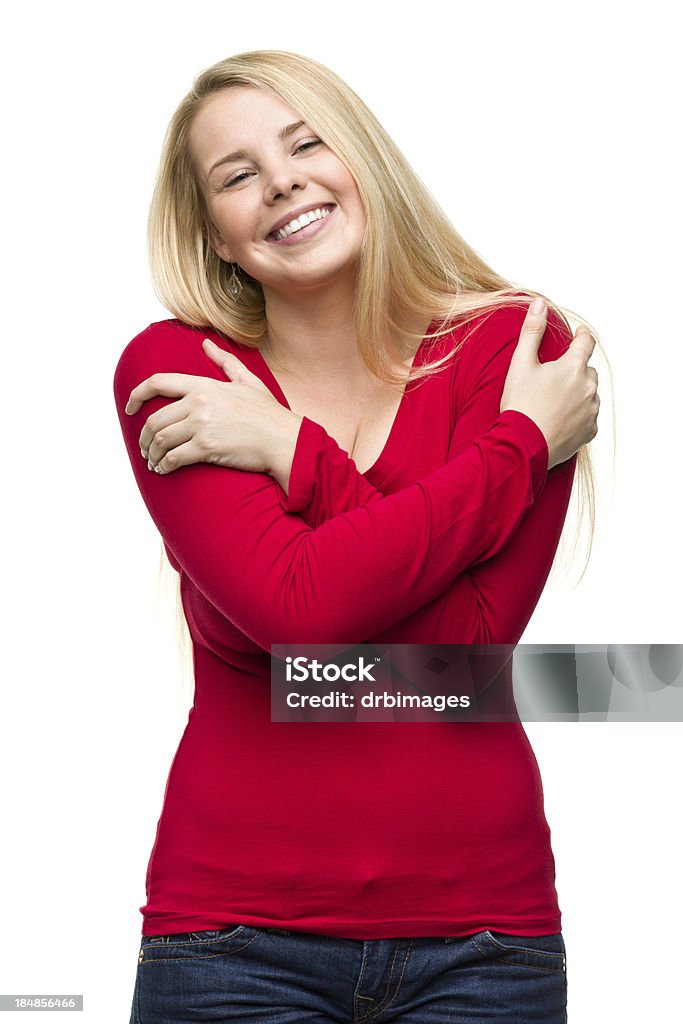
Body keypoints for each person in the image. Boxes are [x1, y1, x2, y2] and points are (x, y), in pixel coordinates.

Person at [114, 50, 600, 1024]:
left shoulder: (522, 353)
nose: (282, 179)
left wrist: (292, 454)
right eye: (236, 173)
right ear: (214, 236)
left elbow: (461, 657)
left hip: (482, 946)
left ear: (361, 162)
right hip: (230, 942)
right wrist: (514, 450)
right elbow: (303, 616)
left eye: (304, 144)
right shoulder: (181, 371)